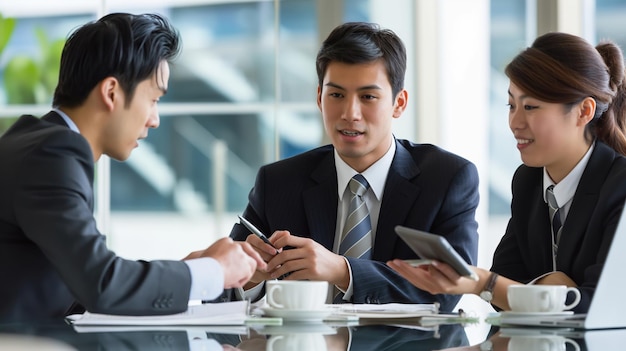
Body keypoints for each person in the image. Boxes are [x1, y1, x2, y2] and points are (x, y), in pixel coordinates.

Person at [0, 12, 265, 322]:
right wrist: (213, 271)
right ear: (111, 92)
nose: (155, 119)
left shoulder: (31, 139)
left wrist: (187, 270)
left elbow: (80, 288)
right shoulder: (55, 153)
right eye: (153, 99)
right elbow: (101, 283)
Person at [227, 22, 479, 311]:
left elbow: (447, 291)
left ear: (399, 103)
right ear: (319, 98)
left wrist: (342, 271)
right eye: (336, 95)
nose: (350, 113)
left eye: (368, 97)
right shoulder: (278, 182)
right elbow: (220, 288)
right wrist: (251, 278)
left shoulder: (448, 179)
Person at [387, 32, 626, 313]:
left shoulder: (618, 186)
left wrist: (487, 284)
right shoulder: (528, 181)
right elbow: (507, 277)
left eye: (531, 107)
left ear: (583, 111)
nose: (515, 122)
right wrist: (554, 285)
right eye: (511, 105)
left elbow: (598, 309)